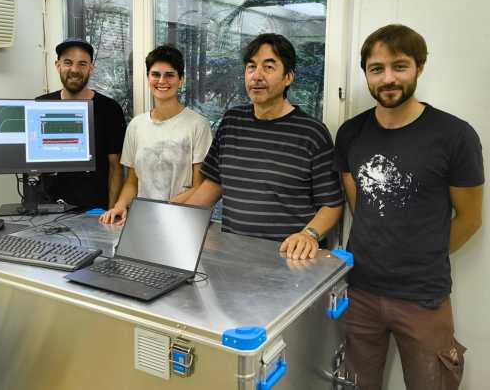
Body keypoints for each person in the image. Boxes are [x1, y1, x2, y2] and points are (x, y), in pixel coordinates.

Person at [334, 24, 484, 390]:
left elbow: (470, 218)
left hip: (423, 297)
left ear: (419, 67)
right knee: (353, 385)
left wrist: (421, 254)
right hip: (359, 292)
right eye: (376, 68)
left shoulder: (454, 135)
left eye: (399, 66)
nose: (388, 78)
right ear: (366, 73)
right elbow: (362, 204)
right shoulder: (350, 133)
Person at [186, 33, 344, 259]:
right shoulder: (232, 122)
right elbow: (212, 187)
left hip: (289, 261)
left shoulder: (312, 133)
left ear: (288, 77)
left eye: (268, 67)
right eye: (251, 67)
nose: (256, 76)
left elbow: (332, 204)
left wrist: (308, 234)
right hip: (233, 257)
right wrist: (171, 221)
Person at [99, 45, 212, 225]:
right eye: (155, 74)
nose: (162, 80)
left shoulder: (198, 125)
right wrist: (120, 205)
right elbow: (132, 183)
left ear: (181, 80)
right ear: (148, 78)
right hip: (144, 220)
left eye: (169, 75)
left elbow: (200, 187)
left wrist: (162, 210)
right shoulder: (136, 126)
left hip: (183, 220)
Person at [36, 38, 126, 210]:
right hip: (49, 210)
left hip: (95, 210)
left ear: (91, 68)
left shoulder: (109, 109)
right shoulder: (40, 105)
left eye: (82, 64)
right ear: (57, 65)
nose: (74, 70)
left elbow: (116, 167)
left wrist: (112, 210)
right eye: (68, 62)